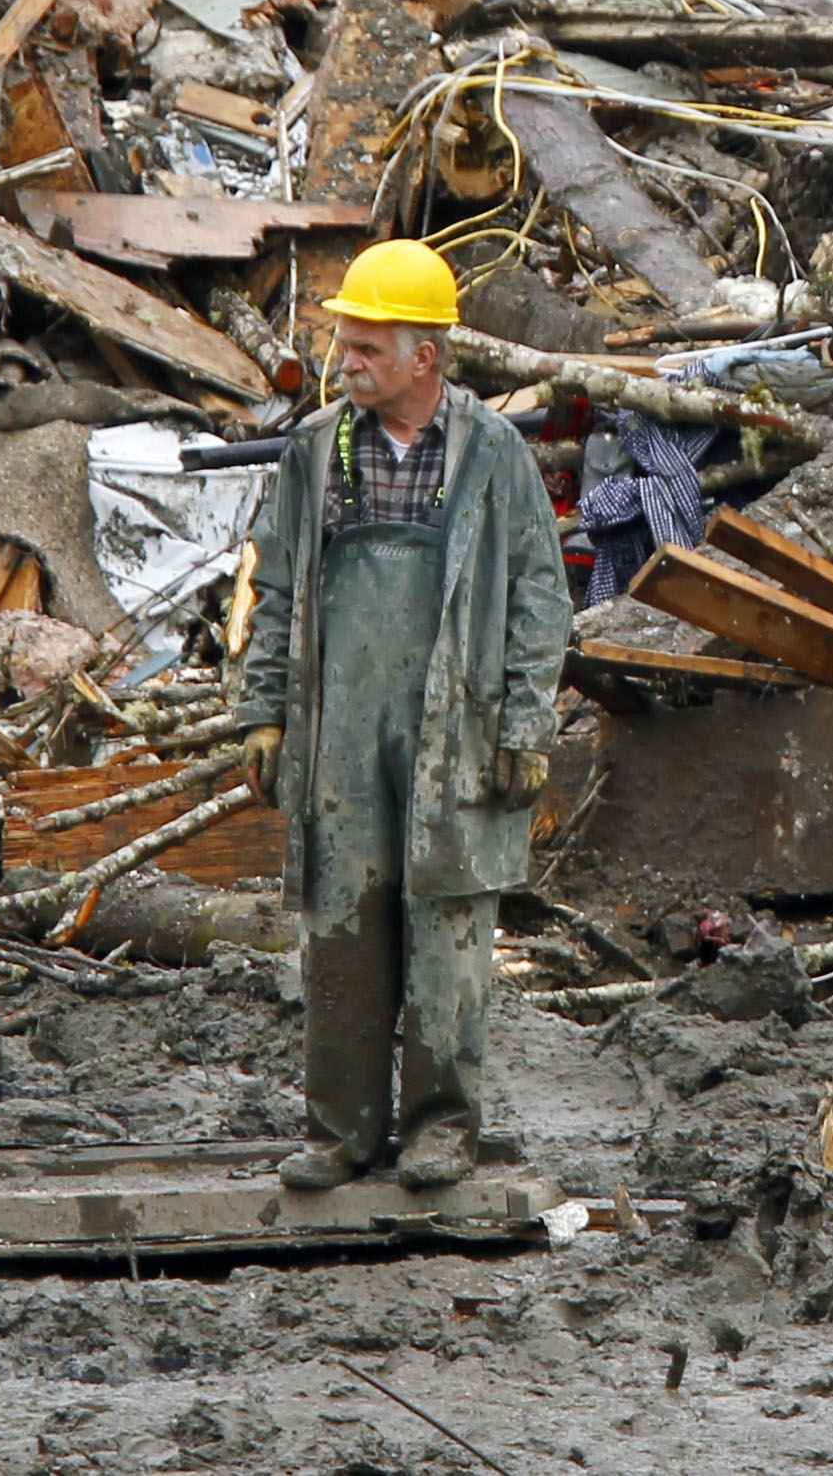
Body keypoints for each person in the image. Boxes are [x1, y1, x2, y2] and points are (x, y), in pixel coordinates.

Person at [235, 238, 570, 1191]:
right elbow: (280, 590)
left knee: (449, 936)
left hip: (456, 734)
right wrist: (264, 713)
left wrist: (525, 727)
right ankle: (343, 1133)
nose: (346, 362)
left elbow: (542, 598)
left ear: (426, 354)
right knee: (343, 930)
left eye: (367, 346)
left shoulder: (495, 457)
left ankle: (438, 1130)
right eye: (346, 343)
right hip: (341, 731)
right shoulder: (313, 452)